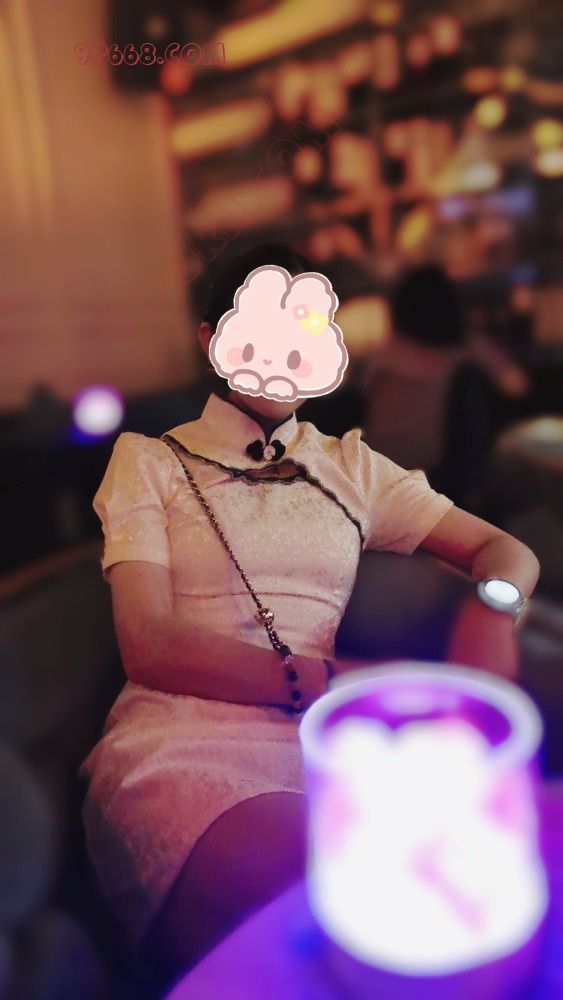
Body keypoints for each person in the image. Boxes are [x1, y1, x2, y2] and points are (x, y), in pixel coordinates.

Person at [79, 244, 540, 987]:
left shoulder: (350, 465)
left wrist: (491, 612)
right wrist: (345, 682)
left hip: (326, 742)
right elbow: (149, 645)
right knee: (365, 895)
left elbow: (504, 551)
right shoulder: (150, 461)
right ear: (213, 339)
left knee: (471, 884)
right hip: (185, 736)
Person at [360, 265, 529, 501]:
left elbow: (364, 398)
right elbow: (516, 385)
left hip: (373, 473)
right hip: (431, 478)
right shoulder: (463, 351)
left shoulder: (385, 355)